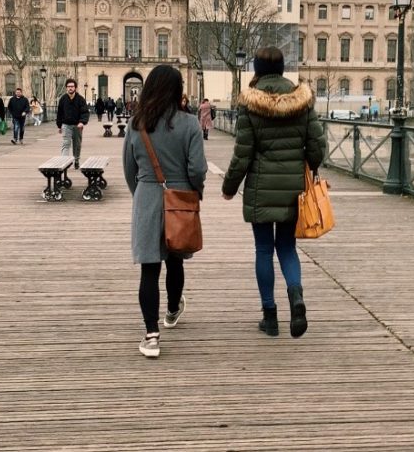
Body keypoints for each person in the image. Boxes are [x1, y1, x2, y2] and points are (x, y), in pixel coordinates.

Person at [221, 46, 326, 338]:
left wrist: (229, 187)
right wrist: (311, 164)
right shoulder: (302, 101)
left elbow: (242, 155)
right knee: (288, 248)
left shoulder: (250, 103)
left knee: (264, 250)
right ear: (282, 68)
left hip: (261, 190)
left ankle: (270, 317)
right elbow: (317, 147)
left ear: (256, 68)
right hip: (294, 190)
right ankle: (297, 297)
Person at [123, 65, 207, 358]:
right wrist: (195, 192)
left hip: (147, 195)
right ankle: (172, 310)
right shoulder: (189, 124)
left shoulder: (137, 124)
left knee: (149, 268)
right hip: (180, 197)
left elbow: (128, 169)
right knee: (175, 260)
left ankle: (151, 335)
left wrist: (143, 196)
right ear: (177, 90)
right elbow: (198, 168)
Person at [56, 78, 90, 168]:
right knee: (65, 143)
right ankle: (64, 162)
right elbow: (59, 113)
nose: (70, 88)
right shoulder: (63, 99)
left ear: (75, 88)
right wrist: (59, 126)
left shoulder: (80, 99)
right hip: (66, 125)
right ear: (66, 88)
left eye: (72, 86)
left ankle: (76, 160)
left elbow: (85, 112)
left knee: (77, 144)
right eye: (68, 86)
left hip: (77, 125)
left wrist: (82, 122)